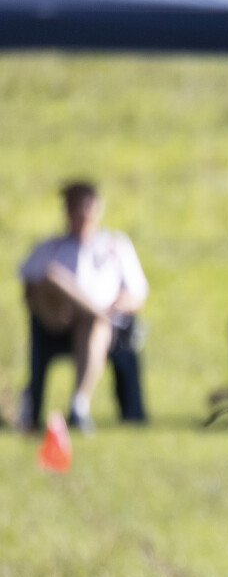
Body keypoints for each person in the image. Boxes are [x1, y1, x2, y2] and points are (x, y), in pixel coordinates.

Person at [17, 181, 148, 432]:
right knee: (53, 275)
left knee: (95, 323)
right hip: (57, 322)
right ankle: (92, 313)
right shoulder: (50, 247)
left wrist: (112, 308)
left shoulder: (115, 245)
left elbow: (136, 295)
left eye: (85, 205)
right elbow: (31, 290)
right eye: (73, 205)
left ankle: (79, 404)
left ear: (99, 207)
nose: (80, 212)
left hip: (104, 326)